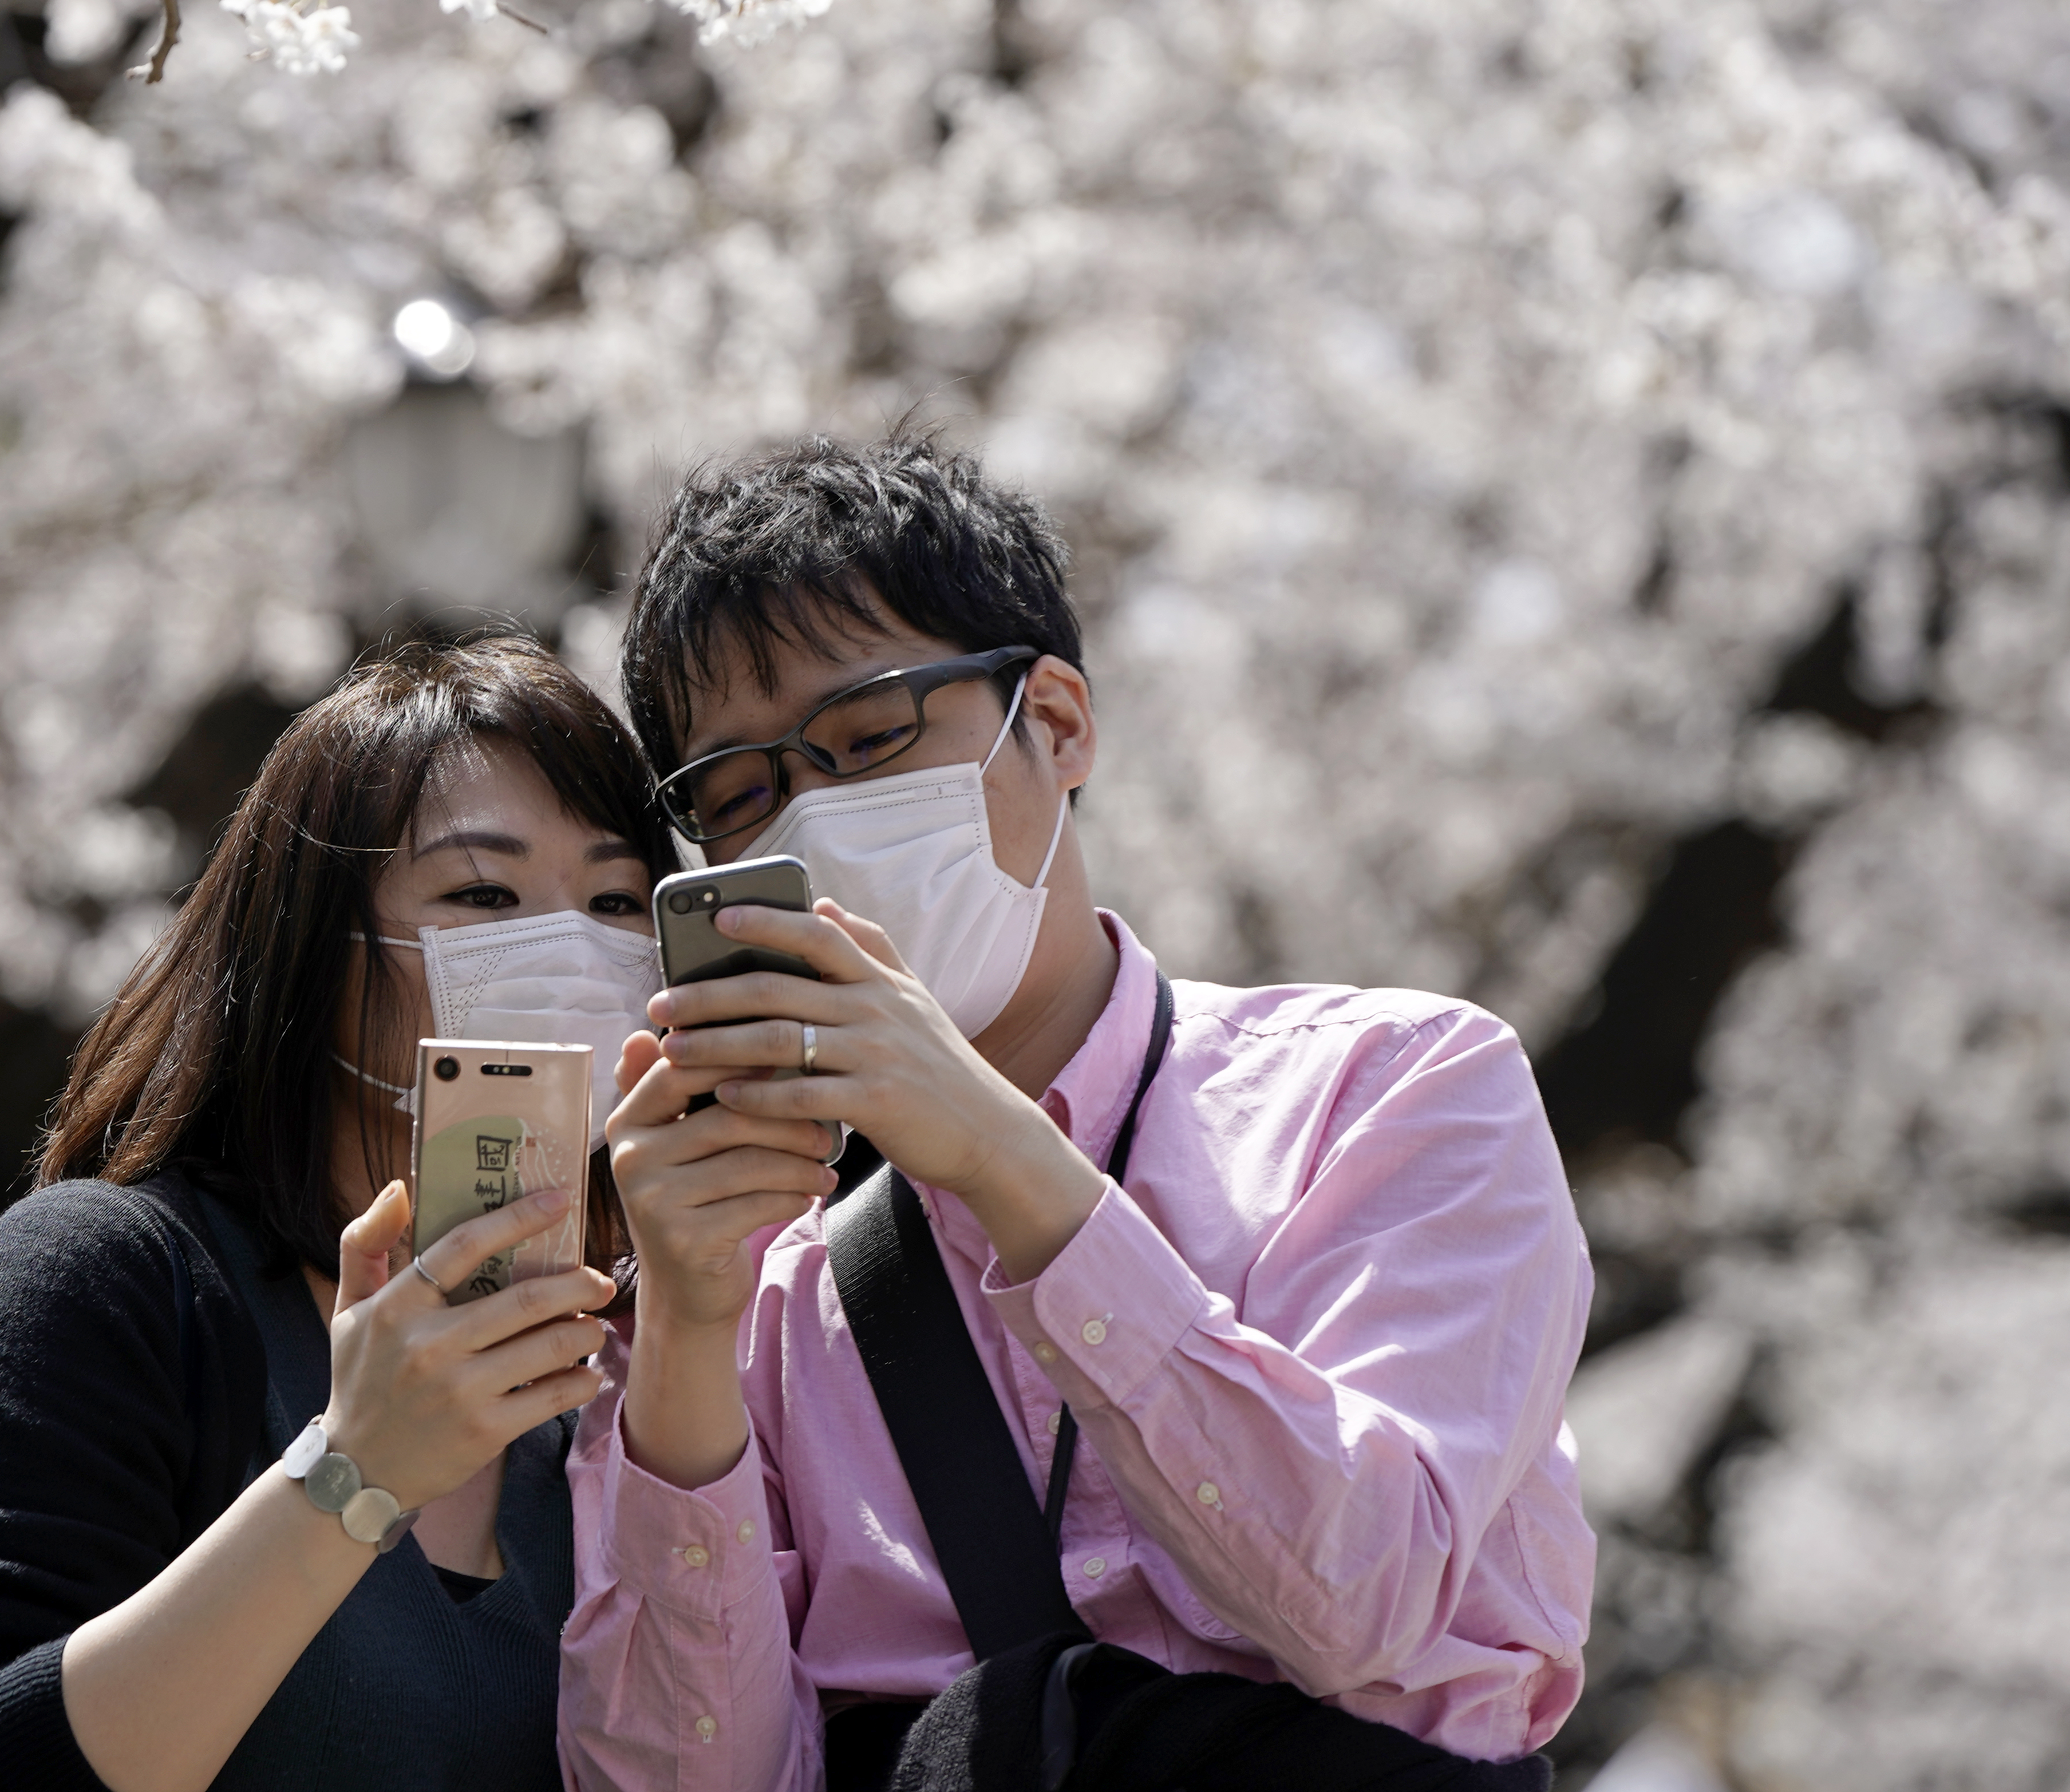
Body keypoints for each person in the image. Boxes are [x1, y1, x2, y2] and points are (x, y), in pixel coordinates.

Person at [561, 436, 1593, 1791]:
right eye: (744, 794)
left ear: (1056, 720)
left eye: (870, 737)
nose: (816, 820)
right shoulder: (752, 1288)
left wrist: (998, 1154)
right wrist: (686, 1341)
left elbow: (1364, 1598)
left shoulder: (1393, 1088)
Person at [0, 634, 680, 1792]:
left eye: (617, 899)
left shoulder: (620, 1374)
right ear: (313, 950)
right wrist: (354, 1471)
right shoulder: (106, 1281)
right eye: (483, 891)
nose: (571, 948)